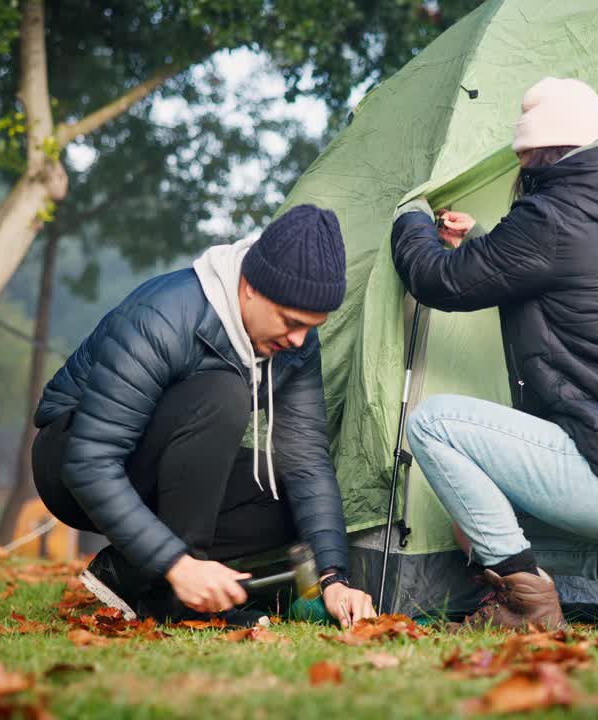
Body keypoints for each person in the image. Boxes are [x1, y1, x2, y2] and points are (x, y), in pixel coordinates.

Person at [391, 77, 598, 630]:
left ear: (540, 154)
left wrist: (410, 217)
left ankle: (528, 609)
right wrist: (482, 241)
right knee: (473, 532)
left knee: (434, 424)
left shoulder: (554, 214)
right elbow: (556, 272)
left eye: (522, 158)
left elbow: (439, 281)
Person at [32, 204, 376, 627]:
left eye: (312, 326)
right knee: (222, 391)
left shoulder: (297, 344)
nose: (300, 339)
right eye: (290, 321)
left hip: (159, 469)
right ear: (250, 286)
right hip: (70, 462)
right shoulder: (163, 316)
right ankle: (175, 600)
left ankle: (128, 573)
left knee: (285, 500)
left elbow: (307, 461)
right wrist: (180, 564)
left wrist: (333, 577)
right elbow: (89, 461)